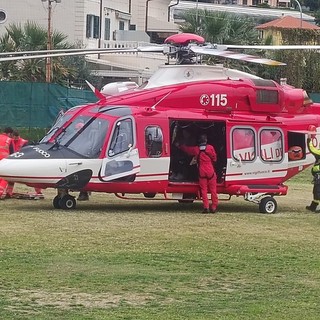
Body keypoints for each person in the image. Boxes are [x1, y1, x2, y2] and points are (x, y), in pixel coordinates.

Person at [176, 133, 218, 213]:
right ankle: (214, 207)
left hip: (202, 172)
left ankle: (206, 207)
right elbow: (214, 158)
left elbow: (187, 149)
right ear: (206, 140)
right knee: (213, 190)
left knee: (204, 190)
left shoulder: (196, 149)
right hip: (211, 171)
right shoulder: (210, 148)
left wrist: (180, 146)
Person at [5, 130, 44, 198]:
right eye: (15, 137)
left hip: (22, 161)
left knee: (31, 177)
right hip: (14, 161)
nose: (16, 139)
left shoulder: (23, 142)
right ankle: (9, 192)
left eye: (17, 137)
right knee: (11, 178)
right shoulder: (11, 141)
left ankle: (38, 191)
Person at [306, 133, 320, 212]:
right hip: (317, 175)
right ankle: (313, 206)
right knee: (316, 191)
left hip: (319, 175)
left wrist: (309, 139)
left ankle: (314, 207)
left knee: (318, 191)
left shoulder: (319, 153)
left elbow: (312, 149)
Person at [0, 127, 14, 199]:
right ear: (9, 133)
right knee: (5, 177)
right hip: (4, 160)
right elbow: (12, 153)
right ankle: (2, 192)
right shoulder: (9, 140)